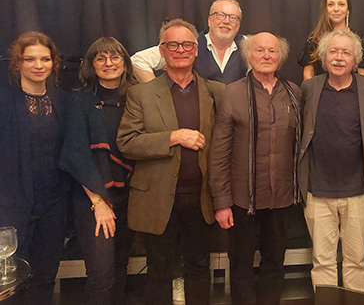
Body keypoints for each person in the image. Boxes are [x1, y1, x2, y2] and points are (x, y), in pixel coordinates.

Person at [117, 19, 225, 305]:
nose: (180, 50)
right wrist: (174, 137)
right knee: (159, 271)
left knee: (199, 267)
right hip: (156, 199)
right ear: (162, 51)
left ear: (196, 50)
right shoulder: (140, 94)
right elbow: (127, 142)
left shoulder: (216, 92)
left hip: (201, 199)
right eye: (173, 44)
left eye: (187, 44)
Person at [209, 32, 301, 305]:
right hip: (241, 199)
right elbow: (219, 152)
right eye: (259, 51)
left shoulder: (294, 93)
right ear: (248, 56)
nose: (266, 56)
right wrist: (221, 202)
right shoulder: (232, 94)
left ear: (281, 57)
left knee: (275, 263)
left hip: (282, 197)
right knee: (240, 266)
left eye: (272, 51)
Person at [298, 28, 364, 292]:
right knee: (322, 263)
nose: (339, 57)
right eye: (333, 51)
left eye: (346, 52)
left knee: (357, 262)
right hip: (317, 191)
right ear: (324, 56)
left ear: (355, 59)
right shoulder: (309, 88)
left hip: (358, 191)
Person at [59, 37, 136, 305]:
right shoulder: (79, 100)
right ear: (91, 65)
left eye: (115, 57)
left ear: (125, 63)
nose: (108, 63)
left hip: (129, 196)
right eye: (100, 58)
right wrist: (99, 203)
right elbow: (76, 154)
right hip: (93, 198)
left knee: (120, 266)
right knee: (101, 275)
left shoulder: (135, 97)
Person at [0, 31, 66, 305]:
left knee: (45, 277)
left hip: (54, 205)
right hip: (12, 206)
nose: (38, 65)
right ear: (18, 63)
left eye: (45, 59)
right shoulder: (4, 102)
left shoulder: (63, 101)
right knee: (11, 283)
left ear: (54, 62)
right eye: (30, 59)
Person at [131, 0, 247, 84]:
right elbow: (138, 61)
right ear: (209, 20)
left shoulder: (248, 46)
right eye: (220, 15)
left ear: (239, 24)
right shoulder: (188, 44)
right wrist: (157, 94)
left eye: (233, 18)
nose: (226, 21)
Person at [297, 0, 364, 80]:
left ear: (348, 9)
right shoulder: (315, 38)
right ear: (325, 9)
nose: (336, 9)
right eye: (331, 4)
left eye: (341, 4)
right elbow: (308, 75)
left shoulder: (360, 40)